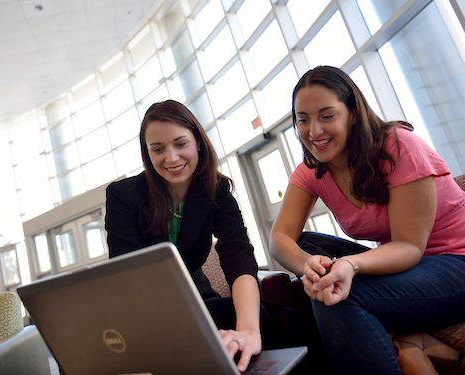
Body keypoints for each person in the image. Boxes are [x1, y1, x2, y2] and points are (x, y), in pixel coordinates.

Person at [269, 66, 465, 375]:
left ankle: (404, 339)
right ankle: (406, 339)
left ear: (353, 113)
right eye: (303, 119)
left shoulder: (398, 146)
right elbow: (280, 237)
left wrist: (349, 266)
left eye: (327, 116)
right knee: (307, 247)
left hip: (460, 259)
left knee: (336, 296)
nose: (314, 131)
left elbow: (409, 247)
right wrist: (306, 267)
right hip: (407, 265)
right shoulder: (312, 170)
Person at [105, 100, 317, 373]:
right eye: (158, 149)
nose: (171, 158)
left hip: (197, 296)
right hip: (145, 309)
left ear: (198, 143)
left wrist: (248, 331)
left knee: (282, 322)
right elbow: (128, 276)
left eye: (181, 144)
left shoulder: (216, 191)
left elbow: (238, 258)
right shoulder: (123, 196)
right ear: (147, 153)